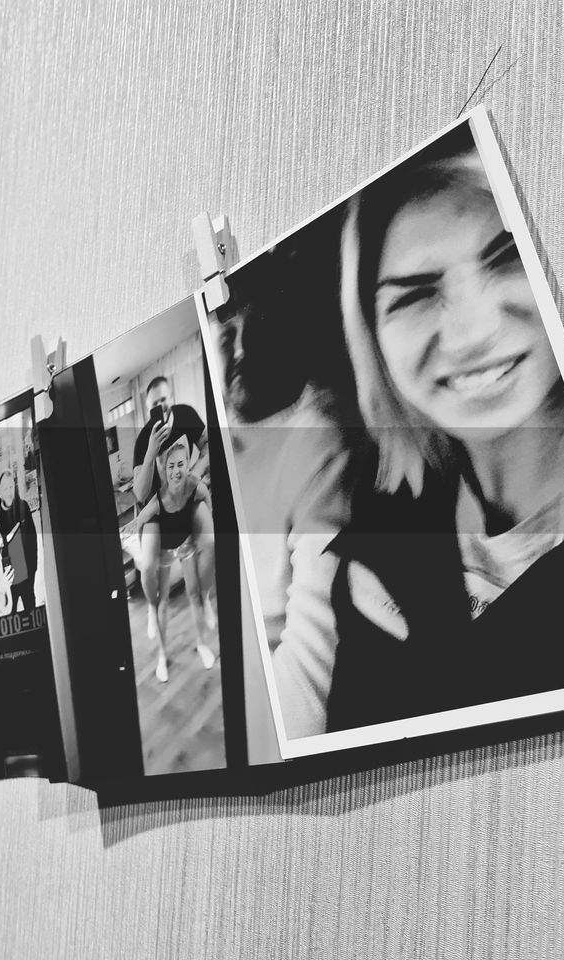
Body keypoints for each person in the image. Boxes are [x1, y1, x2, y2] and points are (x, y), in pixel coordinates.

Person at [323, 133, 564, 732]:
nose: (471, 333)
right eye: (416, 295)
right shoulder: (381, 537)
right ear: (373, 340)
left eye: (507, 257)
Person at [211, 252, 357, 742]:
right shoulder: (222, 432)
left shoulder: (321, 441)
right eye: (227, 336)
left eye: (262, 326)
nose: (243, 352)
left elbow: (307, 678)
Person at [131, 375, 215, 674]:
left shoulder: (188, 416)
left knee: (207, 550)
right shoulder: (144, 438)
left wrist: (195, 471)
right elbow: (140, 494)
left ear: (172, 397)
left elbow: (209, 447)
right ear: (147, 407)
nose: (161, 406)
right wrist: (153, 448)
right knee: (159, 587)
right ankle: (162, 654)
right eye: (154, 403)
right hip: (156, 512)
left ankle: (204, 629)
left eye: (164, 399)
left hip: (184, 498)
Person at [0, 470, 38, 612]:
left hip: (27, 574)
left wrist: (33, 568)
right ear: (0, 491)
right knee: (10, 614)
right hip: (8, 579)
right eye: (5, 488)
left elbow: (32, 539)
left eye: (11, 487)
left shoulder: (23, 507)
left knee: (31, 610)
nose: (9, 491)